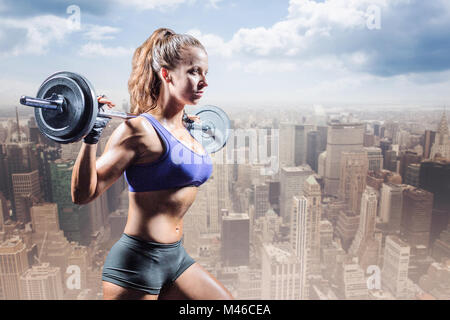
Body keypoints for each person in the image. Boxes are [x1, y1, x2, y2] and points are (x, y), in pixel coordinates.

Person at [71, 28, 233, 300]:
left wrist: (190, 135)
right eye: (194, 72)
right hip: (136, 264)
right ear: (166, 74)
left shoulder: (188, 128)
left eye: (205, 73)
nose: (204, 81)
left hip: (176, 258)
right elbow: (83, 194)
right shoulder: (138, 130)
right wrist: (91, 136)